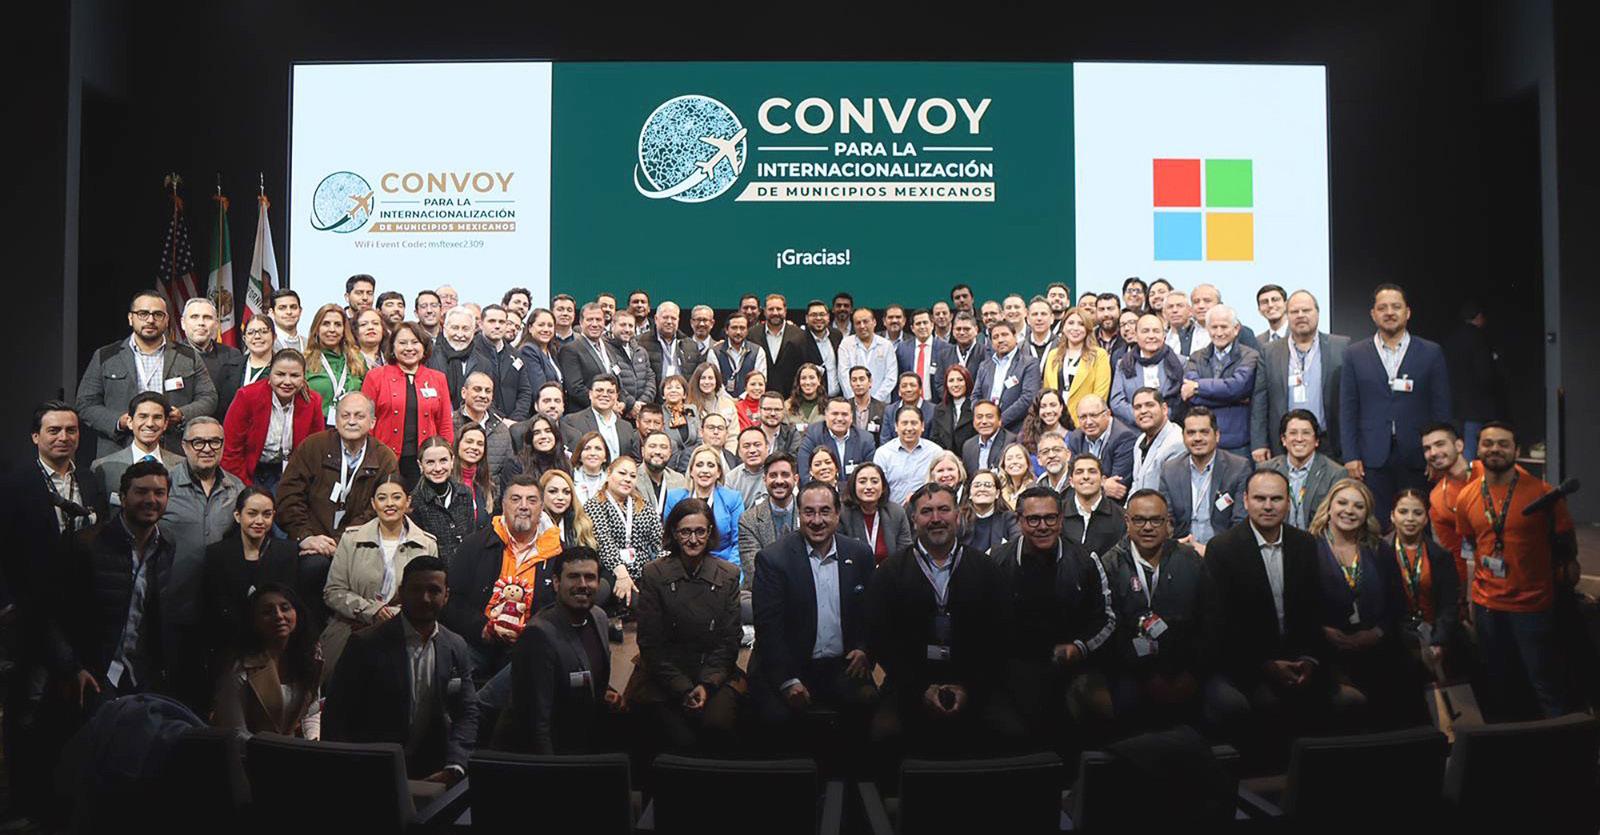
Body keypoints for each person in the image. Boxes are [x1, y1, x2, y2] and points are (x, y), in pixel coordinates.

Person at [1203, 470, 1357, 757]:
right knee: (1269, 707)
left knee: (1341, 708)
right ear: (1245, 501)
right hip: (1247, 664)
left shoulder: (1305, 544)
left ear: (1288, 502)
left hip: (1302, 659)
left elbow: (1314, 610)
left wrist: (1309, 659)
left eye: (1276, 499)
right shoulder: (1222, 548)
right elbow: (1221, 624)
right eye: (1259, 498)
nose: (1268, 506)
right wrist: (1266, 665)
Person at [868, 484, 1015, 762]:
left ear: (957, 515)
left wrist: (968, 687)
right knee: (883, 735)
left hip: (975, 683)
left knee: (1010, 731)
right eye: (926, 512)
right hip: (909, 684)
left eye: (943, 510)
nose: (936, 518)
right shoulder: (890, 571)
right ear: (914, 519)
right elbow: (881, 638)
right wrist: (920, 689)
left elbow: (1000, 635)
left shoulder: (986, 569)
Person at [1453, 421, 1578, 719]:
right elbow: (1472, 542)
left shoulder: (1543, 493)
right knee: (1498, 685)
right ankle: (1506, 743)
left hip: (1532, 606)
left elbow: (1565, 542)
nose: (1494, 449)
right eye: (1488, 443)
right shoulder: (1466, 497)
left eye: (1503, 444)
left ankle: (1560, 744)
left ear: (1516, 450)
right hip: (1487, 607)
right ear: (1478, 449)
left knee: (1545, 685)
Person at [323, 556, 478, 782]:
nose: (425, 598)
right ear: (401, 592)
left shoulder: (456, 646)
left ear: (446, 596)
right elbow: (336, 713)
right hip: (370, 770)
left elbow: (467, 711)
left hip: (434, 773)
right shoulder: (366, 644)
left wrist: (455, 764)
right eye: (416, 589)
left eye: (434, 590)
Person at [749, 481, 878, 748]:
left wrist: (865, 648)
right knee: (776, 722)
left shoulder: (860, 554)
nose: (817, 520)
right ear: (799, 514)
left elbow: (871, 614)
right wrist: (788, 681)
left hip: (843, 666)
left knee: (868, 710)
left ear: (838, 513)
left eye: (824, 511)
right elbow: (768, 630)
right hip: (789, 666)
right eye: (809, 512)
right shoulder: (773, 559)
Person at [990, 486, 1117, 743]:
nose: (1043, 526)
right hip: (1015, 665)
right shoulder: (996, 560)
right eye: (1033, 519)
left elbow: (1107, 618)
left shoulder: (1085, 559)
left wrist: (1080, 647)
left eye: (1050, 518)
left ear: (1060, 519)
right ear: (1020, 520)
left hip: (1072, 664)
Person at [45, 460, 174, 711]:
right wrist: (72, 668)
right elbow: (51, 613)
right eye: (141, 491)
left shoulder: (167, 544)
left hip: (139, 678)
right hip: (92, 677)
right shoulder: (86, 544)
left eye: (159, 492)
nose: (151, 500)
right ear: (123, 498)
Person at [627, 498, 744, 753]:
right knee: (676, 738)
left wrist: (706, 684)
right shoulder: (654, 573)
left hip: (714, 673)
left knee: (719, 726)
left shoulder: (728, 574)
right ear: (674, 533)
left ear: (710, 532)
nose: (693, 539)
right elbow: (650, 642)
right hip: (663, 674)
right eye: (685, 532)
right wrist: (682, 687)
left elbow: (729, 640)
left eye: (700, 531)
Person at [1308, 478, 1425, 728]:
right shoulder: (1308, 548)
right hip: (1327, 651)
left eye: (1358, 506)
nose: (1349, 511)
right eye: (1342, 503)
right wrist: (1322, 631)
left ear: (1367, 513)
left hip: (1377, 646)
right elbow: (1300, 603)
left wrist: (1377, 632)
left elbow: (1397, 602)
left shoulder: (1379, 549)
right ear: (1329, 507)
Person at [1099, 489, 1214, 731]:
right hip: (1130, 670)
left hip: (1186, 668)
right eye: (1139, 520)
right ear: (1127, 521)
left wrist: (1191, 672)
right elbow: (1111, 633)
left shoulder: (1190, 560)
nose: (1148, 527)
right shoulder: (1110, 565)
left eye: (1156, 520)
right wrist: (1147, 677)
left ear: (1167, 523)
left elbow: (1208, 621)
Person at [1339, 283, 1452, 518]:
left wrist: (1438, 454)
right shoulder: (1354, 354)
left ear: (1407, 312)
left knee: (1417, 521)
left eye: (1396, 307)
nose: (1389, 312)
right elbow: (1348, 409)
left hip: (1418, 455)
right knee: (1376, 524)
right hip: (1371, 457)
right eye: (1382, 308)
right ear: (1373, 314)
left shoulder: (1431, 352)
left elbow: (1441, 408)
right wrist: (1350, 456)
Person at [495, 547, 620, 754]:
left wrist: (601, 692)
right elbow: (537, 720)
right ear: (556, 582)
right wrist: (550, 768)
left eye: (590, 577)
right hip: (550, 754)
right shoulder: (538, 634)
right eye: (573, 577)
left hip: (585, 743)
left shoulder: (598, 617)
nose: (583, 584)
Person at [160, 416, 246, 708]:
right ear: (184, 446)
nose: (207, 448)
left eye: (214, 442)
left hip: (220, 609)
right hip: (174, 604)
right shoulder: (164, 485)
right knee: (175, 694)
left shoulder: (236, 488)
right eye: (198, 442)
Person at [319, 473, 438, 680]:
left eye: (396, 497)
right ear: (374, 503)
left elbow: (429, 597)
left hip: (404, 633)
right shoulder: (350, 539)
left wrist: (393, 616)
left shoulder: (427, 545)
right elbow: (333, 591)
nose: (389, 503)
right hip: (351, 628)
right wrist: (372, 611)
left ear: (408, 501)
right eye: (382, 498)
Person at [76, 290, 218, 458]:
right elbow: (86, 403)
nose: (150, 320)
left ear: (166, 320)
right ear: (131, 318)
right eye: (143, 314)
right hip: (119, 453)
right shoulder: (106, 356)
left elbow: (209, 397)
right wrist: (119, 422)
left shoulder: (188, 356)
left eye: (158, 314)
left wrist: (182, 414)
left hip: (173, 452)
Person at [200, 489, 308, 679]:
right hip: (229, 649)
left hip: (275, 648)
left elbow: (290, 601)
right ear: (237, 515)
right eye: (252, 513)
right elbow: (212, 607)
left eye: (266, 514)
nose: (259, 521)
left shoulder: (287, 552)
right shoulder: (217, 554)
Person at [276, 392, 400, 557]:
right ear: (336, 419)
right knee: (313, 566)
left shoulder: (384, 458)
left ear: (372, 422)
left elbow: (380, 509)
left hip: (360, 544)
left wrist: (343, 541)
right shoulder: (312, 447)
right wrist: (305, 536)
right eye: (345, 415)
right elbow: (289, 496)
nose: (351, 421)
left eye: (359, 416)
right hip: (312, 542)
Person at [211, 584, 322, 738]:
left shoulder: (309, 657)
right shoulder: (239, 668)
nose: (279, 616)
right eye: (267, 612)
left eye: (285, 608)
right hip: (250, 748)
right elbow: (236, 732)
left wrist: (312, 743)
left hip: (291, 747)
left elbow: (311, 713)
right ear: (253, 621)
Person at [1250, 290, 1348, 461]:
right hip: (1285, 443)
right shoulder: (1269, 351)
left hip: (1329, 441)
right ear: (1287, 315)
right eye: (1294, 311)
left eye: (1306, 310)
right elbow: (1260, 400)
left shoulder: (1341, 347)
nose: (1300, 315)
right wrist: (1259, 443)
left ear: (1317, 313)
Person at [221, 348, 325, 491]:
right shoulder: (247, 396)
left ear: (303, 378)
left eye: (295, 375)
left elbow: (315, 450)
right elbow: (231, 450)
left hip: (293, 472)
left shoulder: (313, 401)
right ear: (269, 374)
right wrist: (244, 488)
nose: (287, 381)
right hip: (251, 471)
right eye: (280, 374)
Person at [1386, 488, 1462, 681]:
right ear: (1392, 516)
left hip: (1434, 635)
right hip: (1395, 639)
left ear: (1426, 518)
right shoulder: (1378, 553)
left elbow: (1449, 604)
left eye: (1417, 513)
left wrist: (1439, 641)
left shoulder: (1441, 556)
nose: (1410, 519)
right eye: (1403, 512)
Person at [362, 321, 453, 481]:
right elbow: (365, 421)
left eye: (415, 342)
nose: (409, 348)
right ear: (392, 347)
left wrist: (444, 457)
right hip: (383, 458)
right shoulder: (375, 377)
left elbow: (444, 424)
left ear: (423, 347)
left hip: (426, 462)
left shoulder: (438, 378)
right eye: (402, 343)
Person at [1159, 407, 1251, 554]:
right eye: (1191, 433)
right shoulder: (1170, 470)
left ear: (1217, 435)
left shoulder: (1238, 468)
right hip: (1181, 551)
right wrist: (1176, 545)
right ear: (1183, 437)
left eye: (1204, 432)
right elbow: (1165, 519)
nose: (1197, 438)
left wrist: (1212, 551)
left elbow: (1240, 522)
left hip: (1224, 553)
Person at [586, 456, 663, 617]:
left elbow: (659, 542)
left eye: (632, 476)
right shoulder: (595, 505)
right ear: (609, 474)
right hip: (611, 571)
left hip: (642, 572)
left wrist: (665, 570)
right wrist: (622, 575)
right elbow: (604, 542)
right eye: (622, 473)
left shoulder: (642, 505)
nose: (627, 479)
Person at [1180, 305, 1259, 457]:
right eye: (1214, 327)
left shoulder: (1250, 356)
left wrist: (1198, 387)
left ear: (1236, 329)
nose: (1219, 332)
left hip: (1237, 441)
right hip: (1202, 439)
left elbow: (1237, 387)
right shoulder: (1197, 357)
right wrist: (1233, 399)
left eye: (1224, 327)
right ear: (1207, 329)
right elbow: (1190, 396)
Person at [89, 391, 182, 513]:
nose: (150, 424)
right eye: (143, 416)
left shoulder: (183, 466)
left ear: (165, 424)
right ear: (130, 422)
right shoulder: (102, 468)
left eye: (157, 417)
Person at [662, 446, 746, 573]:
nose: (705, 470)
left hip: (722, 566)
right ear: (691, 471)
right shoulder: (674, 498)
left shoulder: (733, 499)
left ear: (718, 472)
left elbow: (739, 542)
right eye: (699, 465)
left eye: (710, 465)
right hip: (683, 566)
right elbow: (669, 539)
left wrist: (728, 572)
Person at [1259, 410, 1345, 530]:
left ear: (1316, 440)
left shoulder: (1335, 473)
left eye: (1306, 433)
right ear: (1283, 440)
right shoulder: (1266, 470)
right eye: (1293, 433)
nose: (1299, 439)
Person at [410, 437, 491, 565]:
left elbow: (471, 537)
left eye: (443, 460)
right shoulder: (415, 501)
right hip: (433, 572)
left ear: (452, 461)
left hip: (465, 567)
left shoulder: (465, 493)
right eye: (430, 462)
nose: (438, 468)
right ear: (420, 465)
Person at [737, 454, 801, 615]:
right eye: (773, 475)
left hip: (805, 589)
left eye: (785, 475)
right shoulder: (749, 519)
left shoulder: (808, 512)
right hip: (764, 592)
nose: (779, 481)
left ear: (796, 479)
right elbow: (753, 571)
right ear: (764, 479)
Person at [1422, 421, 1482, 589]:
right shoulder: (1438, 499)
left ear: (1459, 445)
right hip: (1482, 581)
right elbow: (1456, 555)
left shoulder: (1490, 471)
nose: (1433, 453)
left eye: (1440, 444)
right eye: (1427, 448)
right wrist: (1462, 593)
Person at [1110, 313, 1184, 427]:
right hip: (1134, 431)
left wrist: (1160, 418)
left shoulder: (1180, 363)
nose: (1151, 336)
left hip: (1170, 428)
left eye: (1156, 331)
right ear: (1136, 335)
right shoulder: (1124, 364)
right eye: (1145, 331)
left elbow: (1182, 401)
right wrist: (1143, 417)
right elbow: (1117, 402)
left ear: (1164, 335)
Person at [302, 303, 367, 425]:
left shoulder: (358, 359)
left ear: (344, 330)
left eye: (337, 324)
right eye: (326, 324)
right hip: (317, 428)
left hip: (352, 427)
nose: (332, 329)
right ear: (317, 329)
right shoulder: (305, 361)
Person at [1043, 309, 1111, 425]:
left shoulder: (1099, 355)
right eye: (1070, 323)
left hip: (1085, 422)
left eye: (1081, 324)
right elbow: (1047, 391)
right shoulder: (1053, 355)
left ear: (1087, 329)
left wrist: (1088, 419)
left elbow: (1100, 395)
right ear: (1063, 327)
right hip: (1056, 421)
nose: (1075, 328)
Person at [972, 322, 1040, 435]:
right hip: (986, 429)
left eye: (1004, 335)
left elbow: (1028, 398)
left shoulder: (1029, 364)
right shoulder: (984, 366)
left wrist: (999, 421)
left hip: (1017, 430)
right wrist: (982, 417)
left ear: (1015, 337)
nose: (1000, 340)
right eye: (995, 337)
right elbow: (975, 396)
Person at [468, 305, 533, 422]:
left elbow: (525, 391)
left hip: (514, 422)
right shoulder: (470, 350)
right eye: (492, 321)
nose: (497, 326)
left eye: (502, 322)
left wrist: (516, 419)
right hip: (481, 422)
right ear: (481, 324)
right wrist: (500, 420)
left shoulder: (516, 354)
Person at [182, 297, 245, 418]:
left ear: (216, 324)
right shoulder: (171, 356)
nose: (201, 323)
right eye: (194, 317)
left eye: (207, 317)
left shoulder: (232, 355)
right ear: (183, 323)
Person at [841, 462, 915, 563]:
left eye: (874, 481)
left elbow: (905, 553)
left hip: (890, 571)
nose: (869, 487)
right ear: (853, 486)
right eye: (862, 482)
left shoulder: (897, 513)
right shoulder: (843, 514)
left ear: (883, 487)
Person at [558, 302, 624, 412]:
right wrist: (607, 405)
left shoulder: (609, 347)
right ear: (581, 322)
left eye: (598, 320)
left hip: (611, 413)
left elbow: (618, 380)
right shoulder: (570, 350)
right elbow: (576, 388)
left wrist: (623, 402)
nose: (594, 324)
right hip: (584, 414)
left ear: (604, 322)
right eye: (589, 320)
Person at [799, 397, 877, 490]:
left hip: (855, 495)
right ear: (826, 415)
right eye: (835, 414)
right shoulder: (813, 434)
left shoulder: (866, 439)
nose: (839, 418)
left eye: (844, 414)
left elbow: (869, 475)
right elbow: (805, 474)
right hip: (821, 493)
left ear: (851, 417)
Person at [1065, 394, 1134, 498]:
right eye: (1083, 417)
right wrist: (1103, 483)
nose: (1088, 422)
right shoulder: (1076, 437)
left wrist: (1085, 484)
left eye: (1094, 415)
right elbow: (1071, 479)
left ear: (1108, 414)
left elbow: (1117, 488)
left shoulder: (1124, 438)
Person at [872, 406, 942, 505]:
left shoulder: (935, 452)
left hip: (928, 510)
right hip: (893, 511)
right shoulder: (883, 453)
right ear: (896, 426)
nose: (909, 428)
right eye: (904, 423)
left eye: (914, 423)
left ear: (922, 426)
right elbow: (878, 487)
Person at [558, 374, 638, 460]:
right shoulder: (572, 422)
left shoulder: (627, 427)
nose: (605, 394)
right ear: (590, 394)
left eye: (610, 392)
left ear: (616, 396)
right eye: (599, 390)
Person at [1062, 453, 1127, 557]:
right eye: (1079, 472)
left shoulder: (1122, 517)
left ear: (1103, 480)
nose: (1086, 477)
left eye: (1092, 471)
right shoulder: (1057, 513)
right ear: (1071, 482)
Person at [454, 371, 515, 481]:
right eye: (477, 389)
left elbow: (507, 472)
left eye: (488, 391)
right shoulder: (450, 423)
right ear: (464, 393)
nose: (483, 395)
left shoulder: (501, 429)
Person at [1129, 387, 1187, 493]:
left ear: (1164, 409)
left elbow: (1171, 493)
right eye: (1138, 407)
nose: (1143, 411)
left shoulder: (1176, 442)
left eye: (1149, 405)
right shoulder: (1140, 440)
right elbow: (1136, 484)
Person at [838, 307, 899, 403]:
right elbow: (843, 376)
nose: (862, 326)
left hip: (881, 403)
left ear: (874, 322)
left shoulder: (886, 345)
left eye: (865, 321)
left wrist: (875, 401)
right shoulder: (846, 344)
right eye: (858, 323)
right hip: (854, 403)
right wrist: (855, 399)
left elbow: (891, 377)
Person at [897, 308, 958, 404]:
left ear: (932, 325)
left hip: (937, 403)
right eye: (918, 324)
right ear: (912, 328)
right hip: (909, 403)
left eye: (925, 323)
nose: (922, 326)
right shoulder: (903, 348)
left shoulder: (947, 349)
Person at [606, 310, 657, 419]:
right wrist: (631, 405)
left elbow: (650, 378)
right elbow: (613, 382)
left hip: (641, 412)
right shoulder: (605, 350)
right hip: (619, 412)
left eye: (630, 326)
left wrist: (642, 404)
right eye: (623, 325)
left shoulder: (640, 351)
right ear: (612, 326)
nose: (627, 329)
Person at [430, 307, 486, 398]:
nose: (460, 334)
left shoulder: (484, 363)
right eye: (455, 328)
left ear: (473, 331)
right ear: (445, 329)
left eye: (465, 329)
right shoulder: (429, 357)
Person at [711, 312, 767, 400]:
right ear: (726, 330)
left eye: (742, 328)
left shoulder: (758, 351)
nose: (738, 332)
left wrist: (742, 399)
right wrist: (729, 400)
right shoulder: (715, 352)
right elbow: (715, 381)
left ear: (747, 330)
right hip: (721, 402)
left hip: (749, 401)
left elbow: (760, 380)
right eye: (734, 328)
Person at [959, 469, 1017, 553]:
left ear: (997, 493)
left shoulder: (1009, 518)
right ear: (970, 494)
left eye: (988, 485)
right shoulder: (959, 519)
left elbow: (1016, 546)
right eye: (977, 486)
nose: (982, 489)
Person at [687, 362, 738, 445]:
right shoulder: (690, 406)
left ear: (717, 380)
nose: (707, 382)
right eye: (703, 378)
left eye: (710, 378)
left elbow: (733, 436)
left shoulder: (728, 404)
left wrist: (728, 453)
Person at [518, 308, 565, 399]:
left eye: (550, 325)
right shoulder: (528, 350)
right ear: (530, 328)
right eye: (541, 325)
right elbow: (538, 388)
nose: (546, 329)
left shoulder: (552, 352)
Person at [635, 430, 688, 509]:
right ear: (642, 451)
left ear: (670, 452)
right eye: (652, 446)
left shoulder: (679, 480)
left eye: (663, 447)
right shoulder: (633, 478)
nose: (658, 451)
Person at [878, 373, 935, 446]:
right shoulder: (890, 410)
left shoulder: (933, 410)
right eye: (904, 386)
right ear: (899, 391)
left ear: (920, 390)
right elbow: (885, 440)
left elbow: (933, 442)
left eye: (912, 385)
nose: (908, 389)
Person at [930, 364, 977, 453]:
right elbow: (935, 439)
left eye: (960, 380)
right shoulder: (939, 409)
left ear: (967, 382)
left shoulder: (975, 407)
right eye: (951, 380)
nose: (955, 384)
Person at [959, 399, 1011, 477]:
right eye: (979, 417)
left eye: (989, 417)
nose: (984, 421)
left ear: (1000, 420)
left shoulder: (1010, 442)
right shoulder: (968, 446)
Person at [725, 427, 771, 509]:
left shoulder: (777, 472)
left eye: (757, 445)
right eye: (746, 446)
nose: (752, 450)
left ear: (767, 447)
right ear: (739, 451)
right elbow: (728, 509)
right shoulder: (731, 478)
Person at [803, 300, 843, 396]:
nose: (818, 318)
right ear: (806, 318)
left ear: (828, 317)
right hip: (812, 398)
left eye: (822, 314)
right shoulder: (799, 340)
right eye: (814, 315)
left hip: (837, 397)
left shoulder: (836, 335)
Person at [1021, 389, 1071, 456]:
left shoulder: (1073, 438)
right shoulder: (1027, 437)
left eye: (1053, 405)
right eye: (1043, 406)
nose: (1048, 411)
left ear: (1061, 407)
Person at [658, 375, 702, 453]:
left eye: (678, 388)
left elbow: (699, 437)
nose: (673, 390)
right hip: (670, 455)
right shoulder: (659, 412)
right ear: (663, 395)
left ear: (684, 395)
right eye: (669, 388)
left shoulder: (691, 409)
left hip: (693, 454)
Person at [756, 390, 804, 457]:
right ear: (759, 410)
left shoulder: (792, 434)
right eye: (768, 409)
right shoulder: (750, 435)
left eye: (777, 409)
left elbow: (793, 460)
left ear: (783, 411)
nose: (773, 413)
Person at [238, 316, 278, 391]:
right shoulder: (230, 368)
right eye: (250, 332)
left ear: (274, 336)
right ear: (244, 339)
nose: (257, 336)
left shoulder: (284, 368)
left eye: (264, 331)